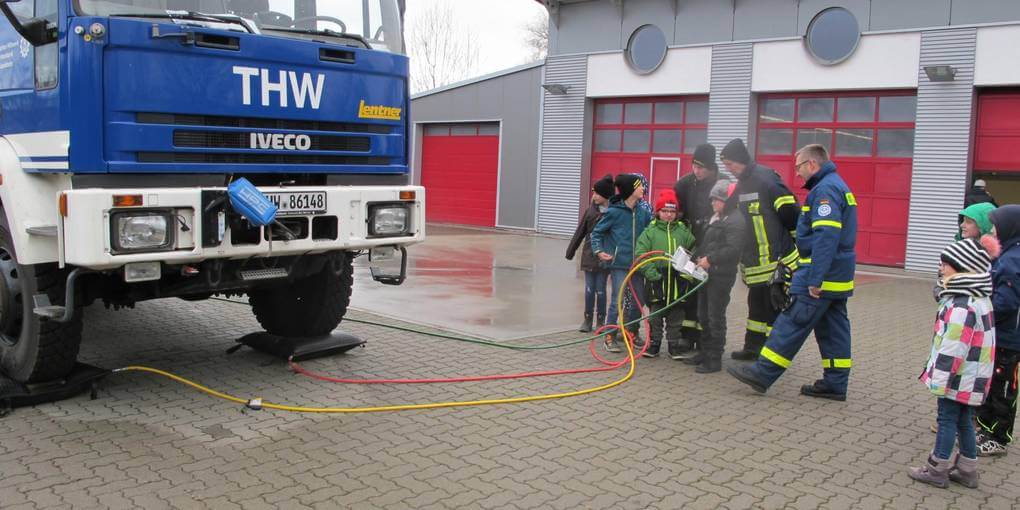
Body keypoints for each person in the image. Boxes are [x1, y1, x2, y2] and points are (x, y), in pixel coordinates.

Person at [727, 144, 857, 400]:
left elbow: (826, 236)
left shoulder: (825, 191)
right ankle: (835, 382)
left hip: (820, 272)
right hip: (838, 275)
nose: (796, 173)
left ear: (812, 164)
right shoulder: (836, 185)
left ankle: (762, 373)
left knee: (792, 321)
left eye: (798, 167)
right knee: (833, 330)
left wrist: (815, 278)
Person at [908, 236, 998, 489]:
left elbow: (953, 348)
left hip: (957, 377)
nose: (941, 267)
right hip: (972, 376)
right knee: (963, 421)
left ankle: (937, 469)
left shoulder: (962, 304)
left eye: (945, 264)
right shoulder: (979, 298)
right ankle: (967, 469)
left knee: (946, 419)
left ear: (962, 268)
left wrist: (939, 381)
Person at [718, 138, 800, 360]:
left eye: (730, 164)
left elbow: (791, 213)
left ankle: (772, 356)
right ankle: (753, 348)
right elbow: (730, 210)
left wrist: (797, 244)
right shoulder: (743, 183)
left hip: (775, 260)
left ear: (740, 160)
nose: (728, 169)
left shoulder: (767, 180)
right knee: (756, 307)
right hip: (755, 262)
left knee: (773, 307)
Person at [975, 204, 1020, 456]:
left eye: (995, 226)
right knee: (991, 385)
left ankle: (999, 438)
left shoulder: (1013, 260)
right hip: (997, 335)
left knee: (1003, 389)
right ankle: (986, 428)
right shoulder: (1006, 254)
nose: (991, 230)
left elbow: (1006, 303)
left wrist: (981, 307)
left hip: (1009, 340)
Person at [590, 174, 652, 353]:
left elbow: (651, 233)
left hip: (637, 264)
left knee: (639, 299)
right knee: (617, 299)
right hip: (619, 264)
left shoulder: (643, 213)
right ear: (631, 190)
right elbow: (597, 233)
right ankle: (609, 335)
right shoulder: (614, 212)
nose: (643, 188)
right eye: (639, 186)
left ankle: (630, 331)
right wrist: (599, 251)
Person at [692, 180, 745, 373]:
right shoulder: (717, 217)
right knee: (703, 315)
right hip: (708, 274)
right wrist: (696, 257)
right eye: (712, 199)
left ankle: (714, 359)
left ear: (728, 201)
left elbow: (733, 249)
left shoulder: (736, 221)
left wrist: (711, 259)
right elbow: (708, 243)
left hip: (721, 276)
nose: (713, 202)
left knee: (715, 317)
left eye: (717, 199)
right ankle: (705, 352)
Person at [635, 189, 695, 358]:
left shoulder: (683, 231)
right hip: (657, 281)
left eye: (672, 211)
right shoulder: (650, 232)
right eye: (665, 211)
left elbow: (693, 251)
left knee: (676, 316)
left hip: (677, 281)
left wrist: (686, 273)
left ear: (676, 213)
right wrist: (652, 275)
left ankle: (673, 345)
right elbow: (641, 253)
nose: (668, 215)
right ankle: (654, 344)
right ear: (658, 212)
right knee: (655, 316)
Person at [672, 143, 719, 357]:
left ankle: (704, 338)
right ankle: (686, 335)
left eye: (701, 167)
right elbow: (672, 208)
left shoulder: (721, 184)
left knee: (707, 295)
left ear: (711, 167)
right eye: (694, 166)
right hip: (689, 246)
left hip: (712, 247)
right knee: (687, 293)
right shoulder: (685, 184)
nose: (696, 171)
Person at [566, 174, 615, 333]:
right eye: (593, 193)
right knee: (589, 289)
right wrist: (570, 251)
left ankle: (601, 320)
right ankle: (587, 319)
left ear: (606, 195)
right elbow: (580, 232)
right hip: (589, 256)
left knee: (601, 290)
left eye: (597, 194)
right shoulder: (590, 211)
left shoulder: (613, 212)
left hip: (604, 258)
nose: (594, 196)